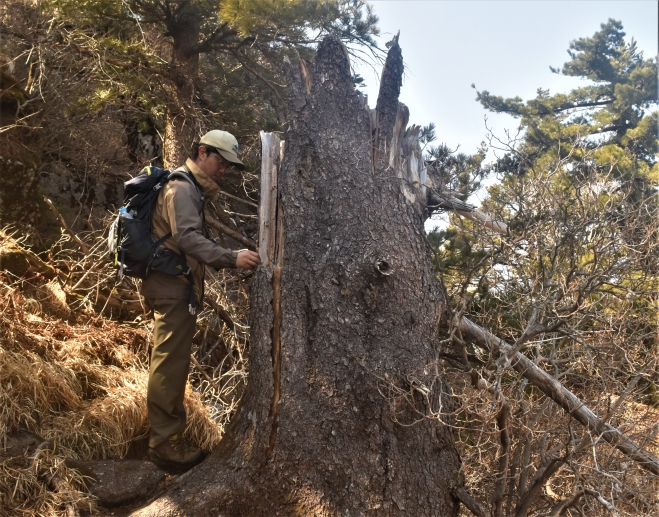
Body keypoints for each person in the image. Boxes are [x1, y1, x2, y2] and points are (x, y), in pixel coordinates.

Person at [142, 130, 260, 470]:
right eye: (220, 162)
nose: (224, 170)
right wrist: (230, 257)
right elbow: (188, 237)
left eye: (228, 165)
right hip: (170, 287)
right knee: (169, 362)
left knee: (174, 361)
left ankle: (169, 436)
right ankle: (164, 443)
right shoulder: (181, 188)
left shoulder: (190, 189)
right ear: (202, 152)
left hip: (174, 286)